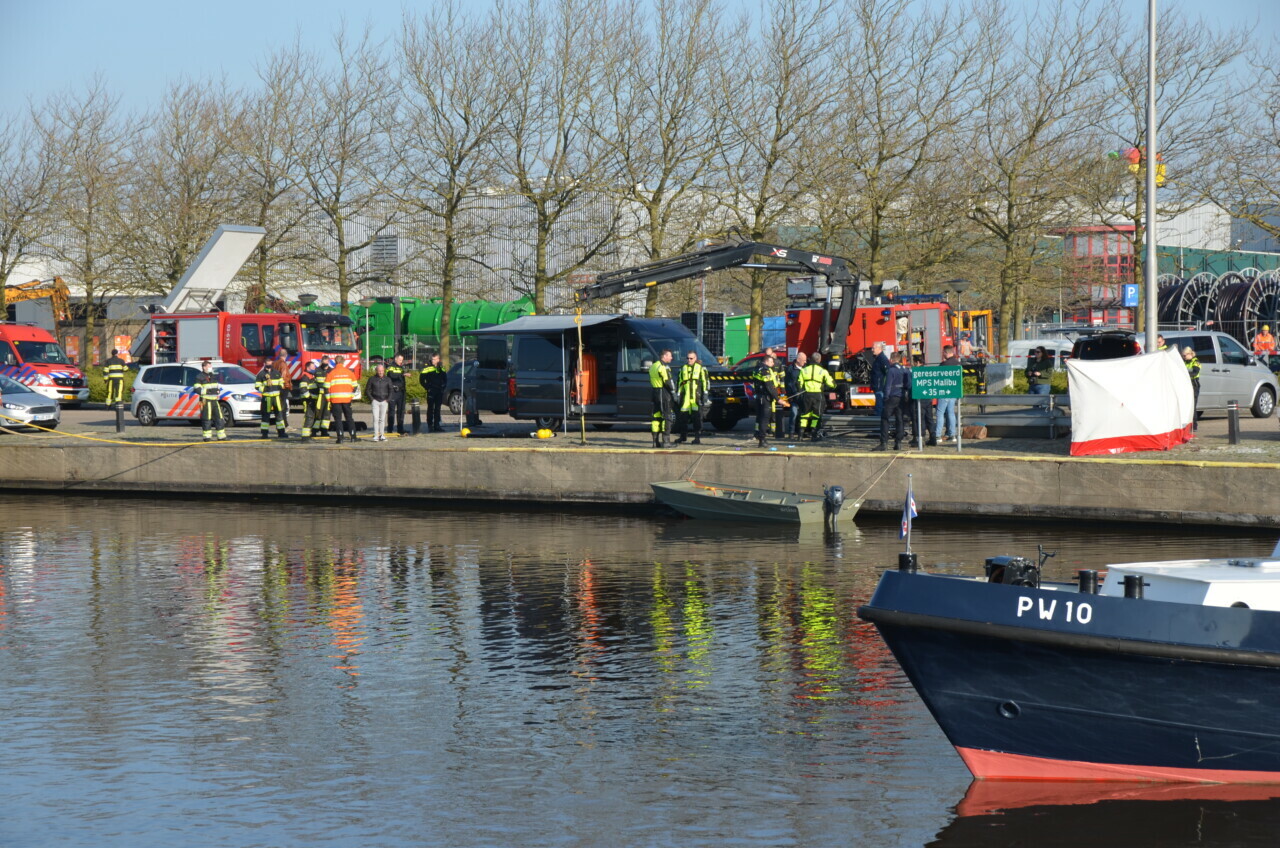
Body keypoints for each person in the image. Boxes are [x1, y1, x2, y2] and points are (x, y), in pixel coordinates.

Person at [874, 352, 910, 451]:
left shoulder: (891, 371)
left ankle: (884, 443)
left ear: (891, 359)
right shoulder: (904, 370)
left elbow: (888, 385)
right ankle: (898, 443)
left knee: (885, 418)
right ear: (899, 359)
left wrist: (885, 397)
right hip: (901, 397)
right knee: (899, 419)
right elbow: (908, 384)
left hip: (892, 397)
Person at [797, 353, 835, 441]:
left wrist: (801, 391)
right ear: (819, 360)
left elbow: (799, 383)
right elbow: (831, 383)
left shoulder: (804, 370)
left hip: (807, 395)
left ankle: (800, 435)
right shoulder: (823, 371)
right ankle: (814, 435)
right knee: (816, 415)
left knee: (804, 415)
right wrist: (834, 386)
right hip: (818, 395)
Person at [675, 350, 709, 445]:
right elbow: (679, 382)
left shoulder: (701, 368)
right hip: (685, 398)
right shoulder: (683, 368)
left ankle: (697, 438)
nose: (689, 360)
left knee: (697, 418)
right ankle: (683, 437)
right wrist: (677, 394)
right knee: (683, 417)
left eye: (691, 358)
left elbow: (705, 381)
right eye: (688, 358)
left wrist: (705, 394)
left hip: (695, 397)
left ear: (695, 358)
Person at [753, 354, 784, 447]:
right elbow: (769, 386)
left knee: (760, 417)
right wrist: (778, 399)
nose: (773, 363)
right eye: (771, 361)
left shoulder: (757, 369)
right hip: (765, 398)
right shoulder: (765, 371)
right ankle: (762, 440)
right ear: (766, 361)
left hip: (759, 397)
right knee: (765, 419)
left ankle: (759, 437)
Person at [193, 360, 227, 442]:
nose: (210, 368)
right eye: (209, 367)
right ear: (204, 367)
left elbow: (216, 386)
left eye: (210, 366)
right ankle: (207, 437)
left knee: (219, 417)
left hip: (214, 400)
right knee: (206, 418)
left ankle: (221, 436)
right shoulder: (199, 377)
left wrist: (217, 391)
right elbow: (197, 389)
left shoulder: (213, 376)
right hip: (205, 400)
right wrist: (208, 392)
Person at [326, 358, 359, 443]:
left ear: (335, 362)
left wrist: (329, 400)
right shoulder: (349, 373)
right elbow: (355, 386)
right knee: (349, 418)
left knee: (338, 419)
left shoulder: (331, 373)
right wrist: (350, 396)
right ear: (343, 362)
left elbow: (326, 388)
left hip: (335, 400)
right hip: (347, 400)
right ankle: (353, 437)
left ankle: (340, 438)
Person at [649, 349, 676, 448]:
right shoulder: (663, 367)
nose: (671, 358)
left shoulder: (653, 366)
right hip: (663, 393)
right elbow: (668, 381)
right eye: (670, 356)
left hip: (654, 393)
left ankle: (655, 442)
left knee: (656, 417)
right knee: (667, 416)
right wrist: (674, 392)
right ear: (664, 356)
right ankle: (666, 441)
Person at [934, 344, 960, 443]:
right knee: (951, 413)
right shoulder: (958, 364)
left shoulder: (944, 365)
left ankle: (937, 436)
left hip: (944, 391)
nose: (942, 354)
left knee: (940, 413)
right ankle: (952, 435)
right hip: (953, 391)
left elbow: (937, 377)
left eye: (943, 352)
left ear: (946, 353)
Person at [254, 361, 287, 439]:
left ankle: (281, 432)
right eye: (267, 364)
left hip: (276, 398)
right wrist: (265, 389)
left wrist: (280, 386)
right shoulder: (261, 374)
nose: (269, 366)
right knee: (266, 416)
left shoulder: (276, 373)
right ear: (264, 364)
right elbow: (257, 386)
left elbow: (281, 382)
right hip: (267, 398)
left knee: (279, 415)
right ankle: (264, 434)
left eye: (270, 364)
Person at [419, 354, 447, 433]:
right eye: (432, 359)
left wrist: (443, 387)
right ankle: (430, 425)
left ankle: (437, 425)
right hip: (431, 391)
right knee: (430, 408)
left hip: (439, 391)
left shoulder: (441, 368)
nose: (433, 361)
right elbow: (421, 380)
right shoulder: (427, 368)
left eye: (434, 359)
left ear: (438, 359)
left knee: (438, 408)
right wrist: (427, 387)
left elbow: (445, 379)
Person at [366, 362, 393, 442]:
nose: (381, 372)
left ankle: (382, 435)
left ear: (384, 370)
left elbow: (391, 390)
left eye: (382, 370)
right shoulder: (372, 379)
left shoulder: (388, 379)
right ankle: (376, 435)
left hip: (384, 401)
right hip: (375, 401)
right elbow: (367, 390)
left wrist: (388, 399)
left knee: (382, 419)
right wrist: (372, 399)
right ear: (376, 371)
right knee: (375, 418)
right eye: (379, 371)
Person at [386, 353, 408, 435]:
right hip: (393, 392)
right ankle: (390, 429)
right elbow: (391, 375)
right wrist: (402, 374)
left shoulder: (401, 367)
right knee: (391, 411)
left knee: (401, 411)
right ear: (395, 359)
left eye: (402, 360)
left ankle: (400, 429)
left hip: (401, 392)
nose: (401, 362)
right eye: (399, 360)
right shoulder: (390, 366)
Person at [784, 352, 805, 436]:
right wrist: (790, 395)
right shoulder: (790, 369)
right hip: (794, 395)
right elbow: (787, 383)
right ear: (798, 360)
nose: (805, 362)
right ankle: (791, 432)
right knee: (794, 414)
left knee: (802, 415)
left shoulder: (805, 368)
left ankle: (800, 431)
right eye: (804, 360)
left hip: (803, 395)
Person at [298, 361, 320, 441]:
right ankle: (305, 437)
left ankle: (308, 435)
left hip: (312, 400)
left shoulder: (311, 376)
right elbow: (303, 390)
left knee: (311, 417)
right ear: (308, 367)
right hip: (308, 401)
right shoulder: (305, 377)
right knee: (309, 417)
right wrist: (309, 398)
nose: (315, 368)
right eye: (313, 367)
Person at [271, 348, 293, 427]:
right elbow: (284, 376)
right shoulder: (283, 364)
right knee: (283, 406)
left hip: (276, 387)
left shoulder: (274, 363)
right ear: (286, 355)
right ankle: (284, 424)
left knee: (279, 406)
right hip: (283, 387)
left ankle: (282, 424)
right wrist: (287, 385)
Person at [312, 357, 332, 437]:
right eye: (324, 361)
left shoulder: (331, 371)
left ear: (328, 361)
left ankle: (324, 431)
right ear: (321, 361)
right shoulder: (317, 371)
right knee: (317, 413)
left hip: (328, 395)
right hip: (319, 396)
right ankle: (314, 430)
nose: (325, 362)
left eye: (326, 361)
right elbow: (314, 383)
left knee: (327, 414)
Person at [1183, 346, 1201, 432]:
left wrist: (1185, 373)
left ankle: (1194, 426)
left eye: (1185, 355)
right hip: (1186, 384)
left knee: (1192, 406)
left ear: (1190, 354)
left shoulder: (1195, 361)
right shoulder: (1184, 361)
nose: (1184, 357)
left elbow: (1195, 372)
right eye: (1183, 355)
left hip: (1194, 384)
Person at [870, 341, 889, 415]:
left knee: (879, 407)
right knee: (879, 405)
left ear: (879, 348)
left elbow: (887, 372)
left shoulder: (882, 359)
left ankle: (878, 423)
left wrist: (884, 385)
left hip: (880, 387)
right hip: (877, 386)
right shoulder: (878, 358)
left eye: (873, 348)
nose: (872, 349)